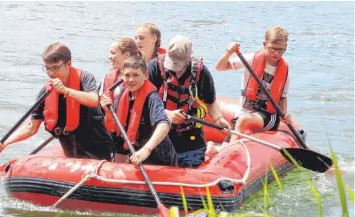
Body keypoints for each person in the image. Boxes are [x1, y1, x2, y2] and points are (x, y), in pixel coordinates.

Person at [0, 42, 114, 160]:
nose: (51, 73)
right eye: (47, 68)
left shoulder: (85, 78)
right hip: (71, 151)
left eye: (55, 68)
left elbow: (93, 100)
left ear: (68, 64)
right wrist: (6, 142)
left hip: (97, 148)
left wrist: (66, 90)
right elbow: (31, 127)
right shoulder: (46, 91)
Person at [147, 35, 230, 168]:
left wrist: (218, 118)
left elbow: (210, 101)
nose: (175, 68)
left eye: (178, 63)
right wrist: (167, 114)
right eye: (172, 61)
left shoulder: (201, 72)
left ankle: (209, 148)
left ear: (189, 57)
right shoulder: (153, 69)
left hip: (191, 141)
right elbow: (144, 103)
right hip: (160, 138)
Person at [215, 26, 291, 144]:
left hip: (268, 115)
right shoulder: (251, 59)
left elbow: (283, 97)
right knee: (227, 143)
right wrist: (228, 53)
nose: (276, 54)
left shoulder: (284, 70)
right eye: (272, 49)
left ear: (285, 47)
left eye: (281, 50)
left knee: (244, 120)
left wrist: (285, 113)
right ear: (264, 44)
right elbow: (220, 67)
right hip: (245, 111)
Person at [100, 55, 177, 166]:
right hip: (135, 155)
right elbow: (118, 135)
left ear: (146, 75)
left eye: (135, 75)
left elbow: (164, 124)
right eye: (127, 75)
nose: (131, 80)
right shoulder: (122, 95)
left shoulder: (152, 98)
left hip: (159, 158)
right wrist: (108, 112)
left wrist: (147, 150)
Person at [99, 38, 142, 133]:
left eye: (113, 53)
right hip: (111, 132)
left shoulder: (140, 80)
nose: (109, 57)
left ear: (126, 55)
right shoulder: (108, 78)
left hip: (131, 133)